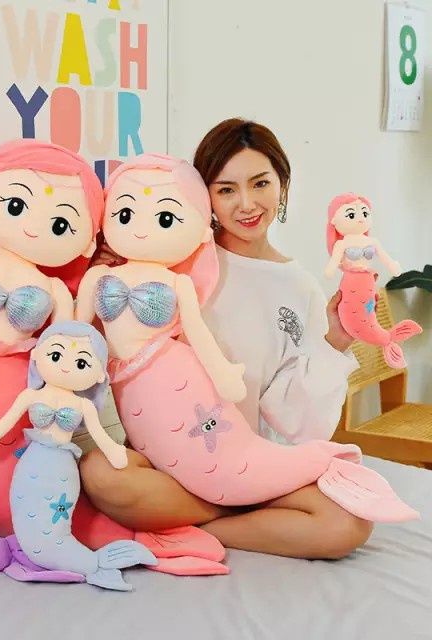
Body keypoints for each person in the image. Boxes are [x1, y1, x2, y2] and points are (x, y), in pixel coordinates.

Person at [81, 119, 373, 559]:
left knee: (348, 523)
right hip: (164, 465)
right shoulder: (169, 256)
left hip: (249, 465)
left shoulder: (301, 289)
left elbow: (299, 424)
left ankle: (206, 524)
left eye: (260, 183)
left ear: (282, 183)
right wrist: (104, 270)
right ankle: (226, 513)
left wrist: (336, 340)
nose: (247, 204)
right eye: (226, 189)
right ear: (206, 196)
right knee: (100, 473)